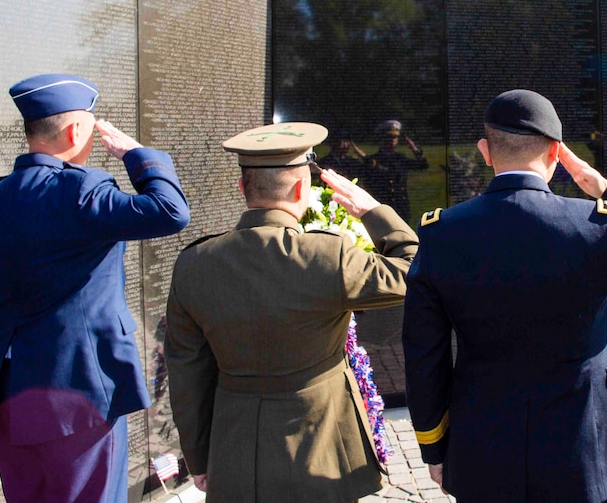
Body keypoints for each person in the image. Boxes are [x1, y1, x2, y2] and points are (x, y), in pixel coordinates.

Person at [402, 89, 607, 502]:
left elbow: (423, 356)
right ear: (556, 154)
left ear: (485, 151)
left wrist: (434, 446)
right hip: (579, 449)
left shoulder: (441, 233)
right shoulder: (595, 226)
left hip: (482, 447)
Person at [0, 73, 191, 503]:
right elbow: (171, 210)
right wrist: (137, 155)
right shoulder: (81, 192)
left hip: (12, 402)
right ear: (75, 130)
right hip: (82, 401)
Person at [165, 122, 418, 503]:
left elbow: (187, 373)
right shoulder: (325, 257)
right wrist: (371, 210)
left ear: (242, 188)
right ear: (303, 188)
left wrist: (200, 458)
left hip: (236, 452)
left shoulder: (193, 264)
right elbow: (414, 269)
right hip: (324, 449)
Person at [362, 119, 428, 222]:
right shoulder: (373, 160)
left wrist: (415, 150)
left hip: (401, 208)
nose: (392, 140)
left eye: (395, 137)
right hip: (382, 207)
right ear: (381, 139)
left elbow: (423, 165)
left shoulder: (401, 158)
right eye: (389, 137)